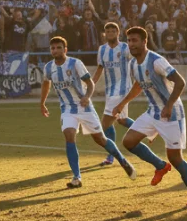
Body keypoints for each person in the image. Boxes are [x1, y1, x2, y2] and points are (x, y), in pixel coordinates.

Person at [111, 26, 187, 206]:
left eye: (135, 40)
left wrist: (169, 106)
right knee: (129, 141)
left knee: (175, 158)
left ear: (144, 41)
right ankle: (160, 166)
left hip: (171, 114)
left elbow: (180, 82)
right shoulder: (132, 64)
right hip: (153, 111)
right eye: (129, 41)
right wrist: (122, 103)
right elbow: (139, 85)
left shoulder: (156, 61)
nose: (131, 44)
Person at [40, 36, 136, 188]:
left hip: (85, 107)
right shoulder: (48, 68)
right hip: (67, 109)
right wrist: (42, 103)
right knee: (69, 135)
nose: (55, 50)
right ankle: (76, 177)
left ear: (65, 50)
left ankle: (122, 160)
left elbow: (90, 83)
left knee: (100, 139)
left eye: (59, 48)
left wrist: (87, 96)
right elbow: (46, 84)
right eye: (53, 48)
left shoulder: (75, 63)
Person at [92, 22, 136, 166]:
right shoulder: (102, 49)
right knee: (121, 120)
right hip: (110, 90)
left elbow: (135, 61)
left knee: (105, 123)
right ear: (105, 34)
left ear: (118, 33)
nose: (110, 33)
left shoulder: (125, 47)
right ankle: (148, 130)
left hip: (123, 89)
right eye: (108, 31)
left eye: (113, 31)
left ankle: (112, 156)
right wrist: (91, 85)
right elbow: (100, 69)